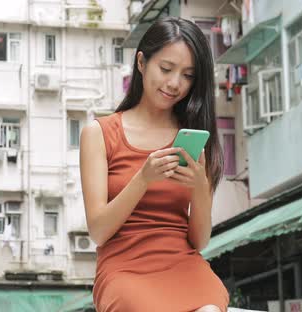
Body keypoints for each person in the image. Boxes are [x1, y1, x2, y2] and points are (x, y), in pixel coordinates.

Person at [79, 17, 228, 312]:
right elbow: (98, 231)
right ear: (141, 62)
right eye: (166, 69)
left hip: (182, 263)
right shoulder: (99, 134)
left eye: (188, 75)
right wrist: (143, 178)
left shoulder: (196, 138)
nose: (174, 84)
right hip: (123, 268)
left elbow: (198, 241)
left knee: (211, 309)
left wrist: (200, 186)